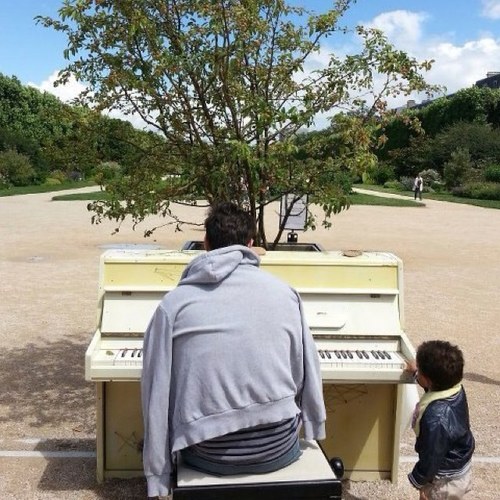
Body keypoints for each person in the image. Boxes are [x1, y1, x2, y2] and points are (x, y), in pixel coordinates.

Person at [141, 202, 326, 499]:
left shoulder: (173, 304)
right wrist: (315, 425)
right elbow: (308, 367)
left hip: (209, 455)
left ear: (206, 244)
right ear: (251, 245)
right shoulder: (286, 293)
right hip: (279, 447)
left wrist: (157, 474)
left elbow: (155, 390)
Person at [406, 340, 475, 499]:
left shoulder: (436, 418)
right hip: (458, 466)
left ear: (428, 379)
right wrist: (417, 373)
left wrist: (418, 479)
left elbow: (432, 456)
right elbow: (432, 387)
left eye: (420, 369)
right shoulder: (453, 388)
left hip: (445, 480)